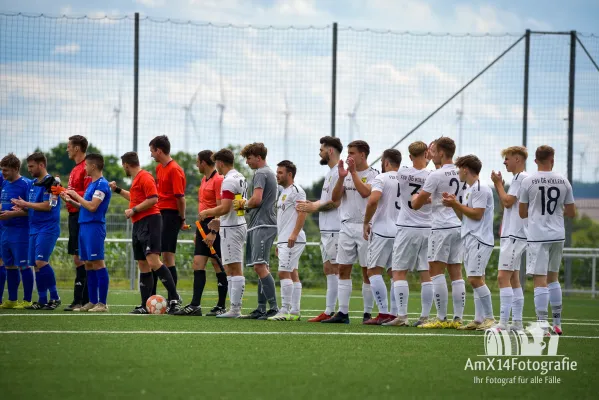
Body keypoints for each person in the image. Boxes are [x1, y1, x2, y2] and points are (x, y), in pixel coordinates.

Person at [109, 152, 181, 314]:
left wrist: (133, 210)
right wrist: (118, 190)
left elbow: (153, 199)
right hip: (138, 224)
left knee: (154, 261)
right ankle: (144, 304)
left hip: (150, 222)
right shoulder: (136, 180)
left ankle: (175, 299)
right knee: (143, 264)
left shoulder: (145, 177)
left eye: (123, 166)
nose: (123, 169)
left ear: (126, 165)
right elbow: (135, 198)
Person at [519, 145, 576, 335]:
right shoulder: (563, 181)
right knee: (553, 279)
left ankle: (543, 325)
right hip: (558, 235)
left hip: (537, 236)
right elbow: (571, 212)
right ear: (553, 159)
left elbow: (521, 212)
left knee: (539, 280)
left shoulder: (528, 181)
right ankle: (558, 323)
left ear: (535, 161)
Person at [412, 137, 467, 329]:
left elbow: (417, 204)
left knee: (435, 271)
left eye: (433, 151)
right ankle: (458, 318)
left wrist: (415, 198)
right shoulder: (462, 171)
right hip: (459, 225)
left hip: (441, 226)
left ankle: (441, 318)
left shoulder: (436, 175)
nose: (430, 154)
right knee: (456, 272)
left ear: (442, 153)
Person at [323, 140, 379, 324]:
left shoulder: (374, 175)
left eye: (352, 153)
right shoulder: (345, 174)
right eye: (348, 153)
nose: (349, 156)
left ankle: (367, 313)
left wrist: (353, 173)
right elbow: (335, 198)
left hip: (365, 226)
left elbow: (365, 193)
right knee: (343, 268)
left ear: (363, 155)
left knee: (366, 271)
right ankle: (343, 313)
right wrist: (341, 177)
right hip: (346, 225)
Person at [442, 155, 496, 331]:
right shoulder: (468, 189)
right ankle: (479, 319)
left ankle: (490, 318)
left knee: (474, 279)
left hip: (479, 239)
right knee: (476, 278)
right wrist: (454, 205)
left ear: (466, 169)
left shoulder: (481, 188)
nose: (458, 172)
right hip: (470, 237)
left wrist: (455, 204)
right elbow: (465, 216)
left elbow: (477, 214)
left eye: (459, 168)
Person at [384, 141, 434, 327]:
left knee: (399, 272)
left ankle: (402, 316)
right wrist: (427, 156)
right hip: (428, 228)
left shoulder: (403, 173)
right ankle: (425, 317)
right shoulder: (432, 176)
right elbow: (425, 169)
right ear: (427, 154)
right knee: (426, 273)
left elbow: (415, 169)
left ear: (410, 156)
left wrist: (423, 156)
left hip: (407, 227)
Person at [296, 136, 342, 323]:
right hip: (326, 230)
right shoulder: (331, 172)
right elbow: (325, 201)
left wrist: (314, 207)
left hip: (335, 229)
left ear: (330, 151)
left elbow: (335, 203)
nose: (319, 152)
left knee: (336, 269)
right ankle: (329, 311)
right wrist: (312, 204)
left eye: (322, 149)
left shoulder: (339, 172)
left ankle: (337, 311)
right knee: (328, 269)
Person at [176, 150, 227, 316]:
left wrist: (213, 231)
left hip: (214, 225)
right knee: (197, 263)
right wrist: (199, 232)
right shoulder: (204, 179)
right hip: (202, 226)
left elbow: (221, 207)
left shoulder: (219, 179)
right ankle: (195, 305)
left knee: (217, 264)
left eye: (198, 162)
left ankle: (221, 306)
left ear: (204, 163)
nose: (196, 165)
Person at [199, 148, 247, 318]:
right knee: (230, 267)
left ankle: (235, 309)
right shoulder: (240, 176)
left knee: (233, 268)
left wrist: (207, 212)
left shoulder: (228, 181)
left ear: (220, 162)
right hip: (238, 224)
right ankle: (234, 308)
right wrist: (221, 221)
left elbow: (225, 207)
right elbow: (239, 207)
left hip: (232, 229)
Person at [61, 154, 112, 312]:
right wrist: (70, 201)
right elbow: (85, 206)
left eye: (86, 166)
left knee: (98, 263)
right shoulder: (92, 184)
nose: (84, 168)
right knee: (88, 264)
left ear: (93, 167)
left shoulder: (102, 185)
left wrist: (76, 195)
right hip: (84, 226)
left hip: (94, 227)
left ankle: (102, 304)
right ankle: (92, 301)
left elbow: (92, 207)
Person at [235, 143, 279, 320]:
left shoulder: (261, 173)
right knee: (261, 266)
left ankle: (274, 308)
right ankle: (261, 308)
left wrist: (242, 204)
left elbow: (257, 200)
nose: (247, 162)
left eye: (249, 158)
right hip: (260, 223)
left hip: (263, 224)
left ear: (258, 157)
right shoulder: (265, 173)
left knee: (260, 266)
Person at [12, 152, 62, 310]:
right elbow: (30, 208)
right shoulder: (33, 184)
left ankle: (55, 297)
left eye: (32, 166)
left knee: (41, 261)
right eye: (28, 166)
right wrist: (20, 207)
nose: (29, 169)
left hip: (48, 227)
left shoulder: (54, 183)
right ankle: (41, 300)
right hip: (34, 228)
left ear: (41, 165)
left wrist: (26, 204)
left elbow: (49, 205)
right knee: (35, 264)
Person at [490, 146, 529, 331]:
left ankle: (503, 323)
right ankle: (517, 323)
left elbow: (507, 201)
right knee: (514, 279)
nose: (504, 162)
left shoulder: (521, 177)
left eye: (507, 158)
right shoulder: (518, 178)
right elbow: (506, 206)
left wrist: (498, 183)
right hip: (513, 234)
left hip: (514, 235)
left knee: (502, 277)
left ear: (518, 159)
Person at [362, 149, 402, 325]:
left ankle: (383, 313)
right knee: (394, 273)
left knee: (373, 271)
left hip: (381, 230)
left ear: (386, 162)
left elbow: (373, 200)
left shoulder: (382, 177)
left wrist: (366, 222)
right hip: (400, 230)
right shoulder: (405, 177)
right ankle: (394, 314)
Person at [268, 160, 307, 321]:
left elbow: (302, 213)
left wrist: (293, 234)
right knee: (292, 273)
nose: (277, 175)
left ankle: (284, 311)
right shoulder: (283, 192)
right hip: (285, 239)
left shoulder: (297, 191)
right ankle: (295, 312)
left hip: (293, 239)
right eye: (277, 172)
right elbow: (283, 220)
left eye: (280, 173)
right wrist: (279, 241)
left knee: (283, 272)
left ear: (289, 174)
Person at [149, 136, 186, 297]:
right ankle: (151, 297)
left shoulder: (175, 169)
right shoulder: (159, 168)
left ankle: (173, 299)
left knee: (168, 256)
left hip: (171, 215)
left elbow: (180, 198)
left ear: (159, 150)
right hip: (158, 214)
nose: (151, 155)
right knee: (153, 255)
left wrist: (181, 219)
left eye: (152, 151)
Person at [0, 154, 33, 309]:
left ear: (15, 169)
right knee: (9, 266)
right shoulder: (5, 184)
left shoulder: (27, 184)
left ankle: (27, 300)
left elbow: (32, 210)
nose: (3, 173)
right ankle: (12, 300)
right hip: (6, 230)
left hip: (21, 231)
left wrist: (14, 213)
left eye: (6, 170)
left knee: (24, 266)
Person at [64, 135, 92, 311]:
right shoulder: (75, 169)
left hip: (81, 216)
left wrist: (72, 193)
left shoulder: (86, 168)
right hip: (73, 216)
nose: (67, 149)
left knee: (82, 258)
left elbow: (88, 193)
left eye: (69, 146)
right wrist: (64, 192)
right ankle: (79, 299)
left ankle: (82, 299)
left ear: (76, 148)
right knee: (77, 258)